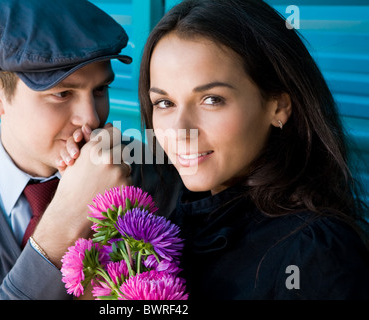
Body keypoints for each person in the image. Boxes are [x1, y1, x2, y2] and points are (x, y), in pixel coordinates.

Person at [138, 0, 369, 299]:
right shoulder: (162, 221)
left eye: (211, 99)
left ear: (278, 106)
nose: (180, 132)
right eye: (165, 103)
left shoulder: (312, 252)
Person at [0, 0, 140, 300]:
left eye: (100, 90)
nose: (91, 117)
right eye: (62, 93)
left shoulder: (144, 172)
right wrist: (67, 216)